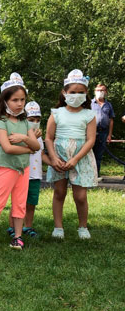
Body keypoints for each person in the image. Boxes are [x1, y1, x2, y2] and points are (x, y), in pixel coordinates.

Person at [0, 73, 40, 251]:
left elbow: (36, 145)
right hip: (6, 168)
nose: (20, 103)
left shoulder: (26, 123)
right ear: (5, 100)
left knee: (20, 203)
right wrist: (29, 149)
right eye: (15, 100)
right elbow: (8, 148)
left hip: (24, 169)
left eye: (22, 99)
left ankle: (18, 236)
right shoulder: (0, 122)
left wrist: (24, 138)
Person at [45, 69, 97, 240]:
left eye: (80, 92)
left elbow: (90, 140)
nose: (76, 95)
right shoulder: (56, 113)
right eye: (72, 92)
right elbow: (49, 137)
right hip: (59, 157)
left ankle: (83, 226)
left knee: (80, 195)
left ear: (86, 93)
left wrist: (75, 159)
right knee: (59, 192)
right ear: (64, 92)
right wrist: (53, 158)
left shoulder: (89, 115)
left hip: (80, 158)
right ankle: (58, 227)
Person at [8, 101, 51, 238]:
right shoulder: (20, 135)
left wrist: (53, 163)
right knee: (18, 202)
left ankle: (28, 226)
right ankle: (12, 226)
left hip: (35, 175)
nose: (35, 122)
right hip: (22, 173)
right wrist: (31, 139)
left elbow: (41, 154)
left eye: (37, 120)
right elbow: (25, 150)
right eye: (31, 120)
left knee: (31, 202)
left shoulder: (39, 138)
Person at [91, 83, 113, 175]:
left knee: (99, 155)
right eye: (98, 90)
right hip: (91, 132)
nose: (100, 92)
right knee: (89, 154)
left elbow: (111, 120)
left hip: (103, 133)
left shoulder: (108, 105)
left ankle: (96, 174)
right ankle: (88, 175)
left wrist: (109, 135)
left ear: (106, 92)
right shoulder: (90, 103)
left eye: (102, 90)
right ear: (95, 91)